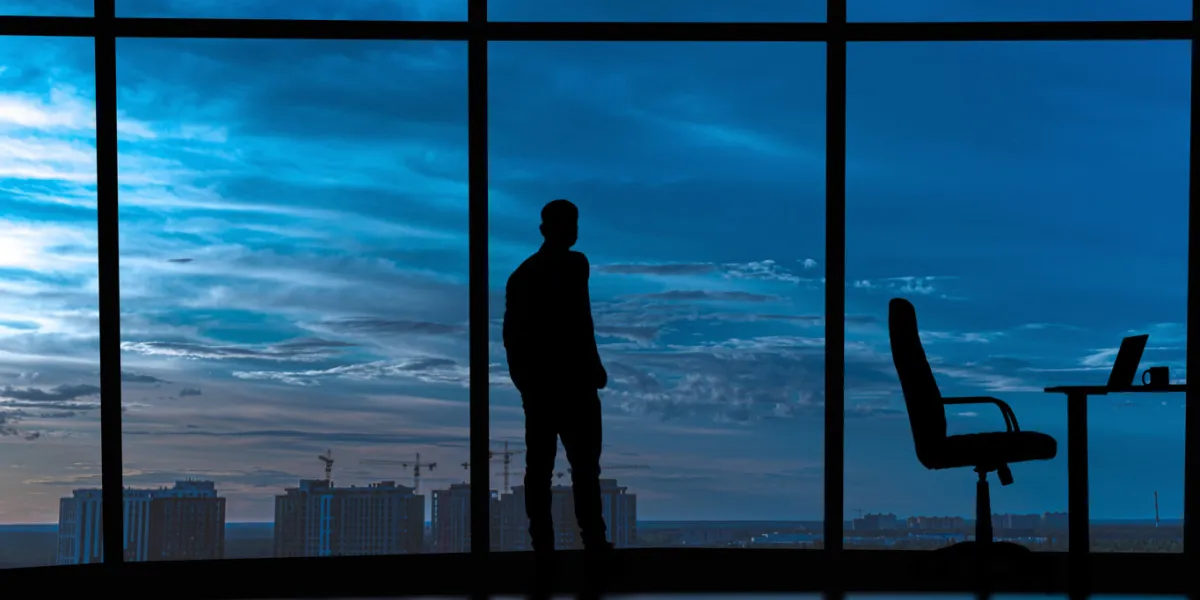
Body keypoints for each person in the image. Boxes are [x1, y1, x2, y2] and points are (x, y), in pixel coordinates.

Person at [503, 198, 612, 556]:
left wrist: (528, 384)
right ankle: (587, 543)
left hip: (556, 386)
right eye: (569, 223)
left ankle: (551, 547)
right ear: (548, 229)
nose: (574, 231)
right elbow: (579, 322)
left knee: (550, 470)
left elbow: (579, 321)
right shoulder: (557, 269)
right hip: (563, 386)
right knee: (573, 471)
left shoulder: (527, 274)